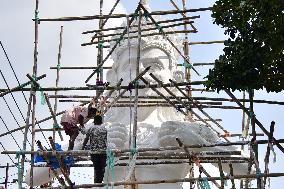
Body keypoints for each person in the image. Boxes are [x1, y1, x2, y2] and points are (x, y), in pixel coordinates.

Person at [82, 114, 107, 183]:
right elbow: (105, 140)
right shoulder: (105, 129)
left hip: (94, 152)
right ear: (101, 122)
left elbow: (86, 138)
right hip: (103, 152)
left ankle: (97, 183)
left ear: (94, 121)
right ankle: (99, 181)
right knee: (102, 168)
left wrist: (83, 147)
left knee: (97, 168)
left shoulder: (91, 128)